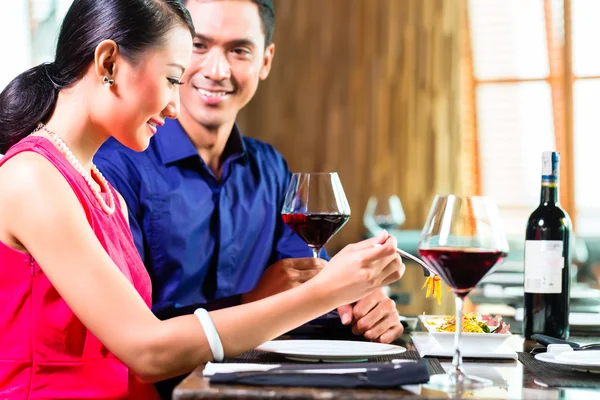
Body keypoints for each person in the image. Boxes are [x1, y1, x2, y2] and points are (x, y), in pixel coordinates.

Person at [0, 0, 405, 398]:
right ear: (108, 64)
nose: (176, 106)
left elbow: (125, 371)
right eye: (173, 78)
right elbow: (148, 350)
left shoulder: (99, 187)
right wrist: (327, 291)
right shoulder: (33, 177)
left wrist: (348, 295)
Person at [95, 0, 403, 350]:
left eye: (239, 50)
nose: (217, 70)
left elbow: (316, 293)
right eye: (199, 45)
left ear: (266, 61)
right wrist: (249, 302)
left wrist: (363, 309)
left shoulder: (271, 169)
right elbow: (127, 333)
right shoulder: (115, 168)